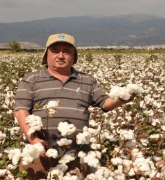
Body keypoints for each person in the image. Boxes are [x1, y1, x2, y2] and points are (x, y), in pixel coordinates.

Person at [14, 33, 135, 179]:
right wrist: (34, 140)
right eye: (55, 51)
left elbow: (105, 103)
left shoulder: (87, 81)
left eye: (66, 51)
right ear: (46, 54)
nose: (60, 55)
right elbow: (21, 110)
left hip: (76, 156)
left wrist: (123, 98)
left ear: (74, 56)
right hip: (39, 153)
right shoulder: (31, 80)